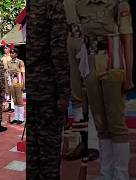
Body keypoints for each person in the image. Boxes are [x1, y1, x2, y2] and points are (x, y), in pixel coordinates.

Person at [75, 0, 134, 178]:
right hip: (91, 65)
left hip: (113, 64)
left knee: (116, 123)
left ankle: (121, 175)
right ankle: (106, 173)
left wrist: (129, 77)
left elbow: (127, 41)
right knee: (100, 124)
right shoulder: (81, 5)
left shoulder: (119, 4)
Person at [26, 0, 70, 179]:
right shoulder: (53, 4)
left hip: (32, 88)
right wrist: (64, 92)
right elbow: (59, 50)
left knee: (33, 151)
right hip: (48, 90)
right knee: (49, 153)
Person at [62, 0, 100, 162]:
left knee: (93, 92)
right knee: (76, 96)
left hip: (89, 39)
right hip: (68, 39)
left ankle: (93, 145)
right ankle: (80, 142)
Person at [7, 48, 25, 124]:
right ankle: (16, 117)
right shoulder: (9, 62)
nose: (11, 54)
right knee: (14, 100)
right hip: (11, 82)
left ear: (17, 54)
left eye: (13, 53)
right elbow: (8, 73)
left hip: (18, 81)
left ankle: (21, 118)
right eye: (11, 53)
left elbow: (23, 73)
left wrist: (24, 85)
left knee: (19, 100)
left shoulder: (20, 62)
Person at [1, 44, 14, 112]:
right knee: (6, 90)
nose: (5, 49)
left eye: (6, 48)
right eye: (4, 48)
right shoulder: (3, 57)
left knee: (11, 89)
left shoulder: (11, 56)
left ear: (9, 49)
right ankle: (8, 106)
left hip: (10, 74)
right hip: (4, 74)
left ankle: (13, 107)